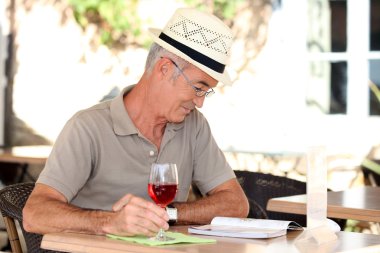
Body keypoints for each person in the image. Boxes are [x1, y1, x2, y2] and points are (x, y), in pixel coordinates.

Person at [23, 7, 249, 237]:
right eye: (198, 88)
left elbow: (236, 204)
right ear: (164, 68)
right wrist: (110, 222)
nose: (200, 103)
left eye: (206, 92)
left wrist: (167, 214)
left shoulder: (194, 126)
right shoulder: (88, 127)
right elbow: (34, 214)